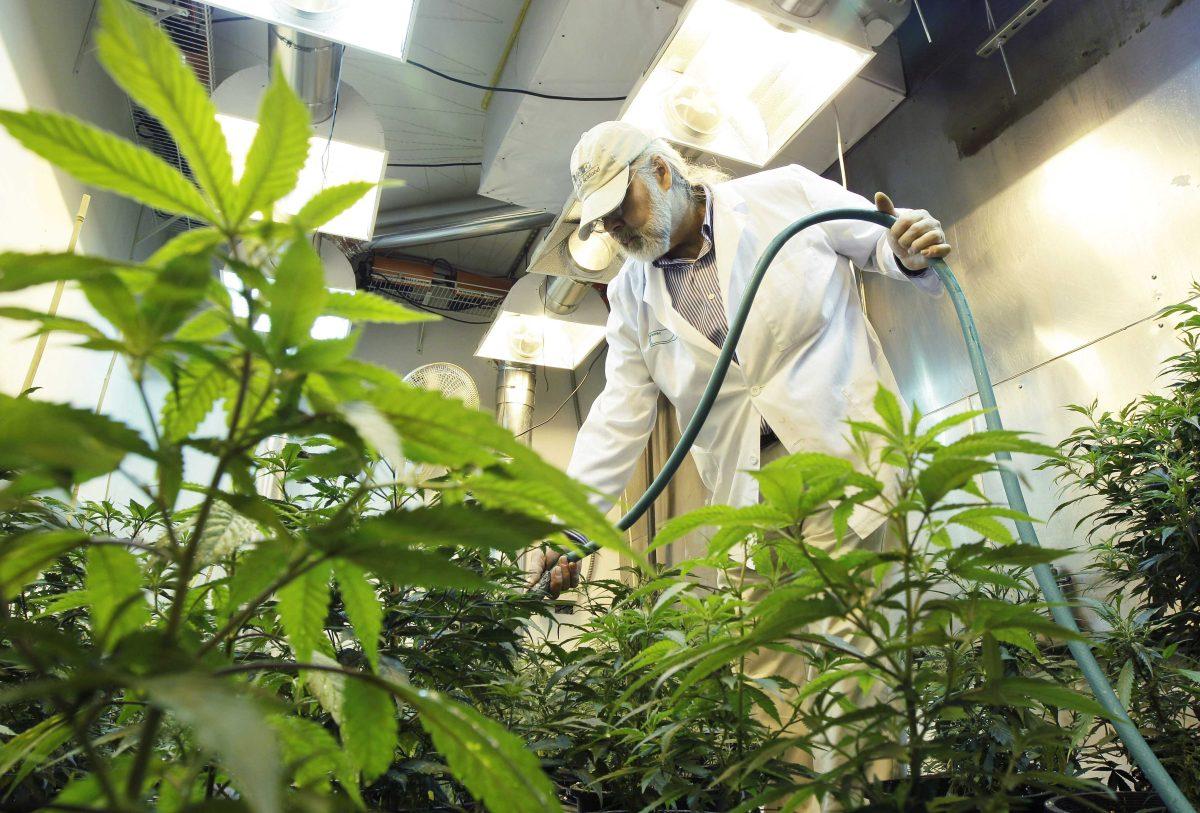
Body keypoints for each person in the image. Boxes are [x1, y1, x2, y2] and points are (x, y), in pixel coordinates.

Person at [530, 120, 950, 596]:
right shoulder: (630, 295)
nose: (612, 227)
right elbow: (618, 416)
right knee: (762, 663)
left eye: (620, 206)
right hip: (750, 495)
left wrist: (907, 248)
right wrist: (569, 526)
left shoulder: (784, 194)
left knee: (862, 655)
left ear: (661, 172)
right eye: (602, 218)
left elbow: (882, 240)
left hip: (849, 461)